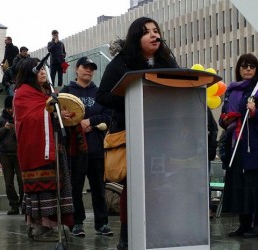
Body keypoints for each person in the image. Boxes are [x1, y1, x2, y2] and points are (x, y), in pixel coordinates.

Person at [96, 17, 179, 250]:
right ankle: (127, 237)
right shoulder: (121, 63)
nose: (154, 35)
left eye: (156, 30)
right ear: (136, 38)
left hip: (161, 136)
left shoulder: (168, 61)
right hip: (132, 135)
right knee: (134, 189)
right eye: (147, 32)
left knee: (161, 185)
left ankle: (159, 233)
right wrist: (133, 94)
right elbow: (102, 96)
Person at [219, 53, 258, 238]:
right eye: (244, 66)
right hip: (236, 146)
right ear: (238, 68)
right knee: (240, 186)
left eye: (252, 66)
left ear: (256, 70)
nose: (247, 69)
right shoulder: (231, 91)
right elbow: (225, 116)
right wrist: (225, 120)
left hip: (257, 148)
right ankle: (244, 224)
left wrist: (255, 113)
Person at [13, 57, 74, 241]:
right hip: (35, 147)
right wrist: (51, 113)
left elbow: (51, 112)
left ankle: (54, 225)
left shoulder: (48, 92)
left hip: (54, 145)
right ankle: (40, 226)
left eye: (44, 68)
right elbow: (28, 118)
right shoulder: (22, 93)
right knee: (42, 186)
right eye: (38, 69)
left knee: (57, 184)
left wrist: (61, 113)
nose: (42, 72)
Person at [59, 57, 112, 237]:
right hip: (75, 149)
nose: (88, 71)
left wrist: (90, 121)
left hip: (96, 147)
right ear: (77, 69)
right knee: (75, 188)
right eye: (85, 67)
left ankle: (102, 223)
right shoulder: (66, 92)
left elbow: (108, 116)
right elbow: (58, 118)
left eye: (91, 69)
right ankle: (76, 223)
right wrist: (73, 121)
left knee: (98, 188)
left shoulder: (99, 93)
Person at [0, 96, 24, 215]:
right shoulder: (0, 119)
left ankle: (23, 203)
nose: (10, 110)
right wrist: (4, 129)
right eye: (8, 108)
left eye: (12, 108)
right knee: (8, 182)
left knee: (22, 181)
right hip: (5, 154)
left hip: (19, 154)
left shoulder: (20, 118)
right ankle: (14, 205)